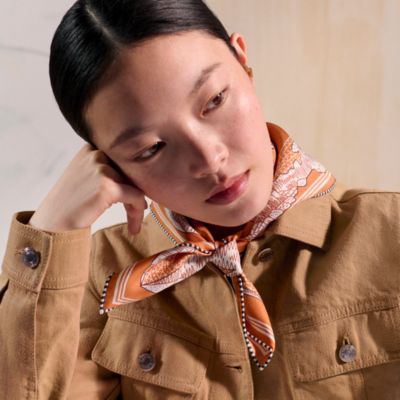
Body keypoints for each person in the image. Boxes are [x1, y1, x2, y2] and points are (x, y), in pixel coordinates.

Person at [1, 0, 399, 399]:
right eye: (151, 148)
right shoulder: (97, 281)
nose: (209, 159)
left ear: (242, 61)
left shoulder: (390, 234)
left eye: (214, 100)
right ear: (108, 163)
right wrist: (50, 229)